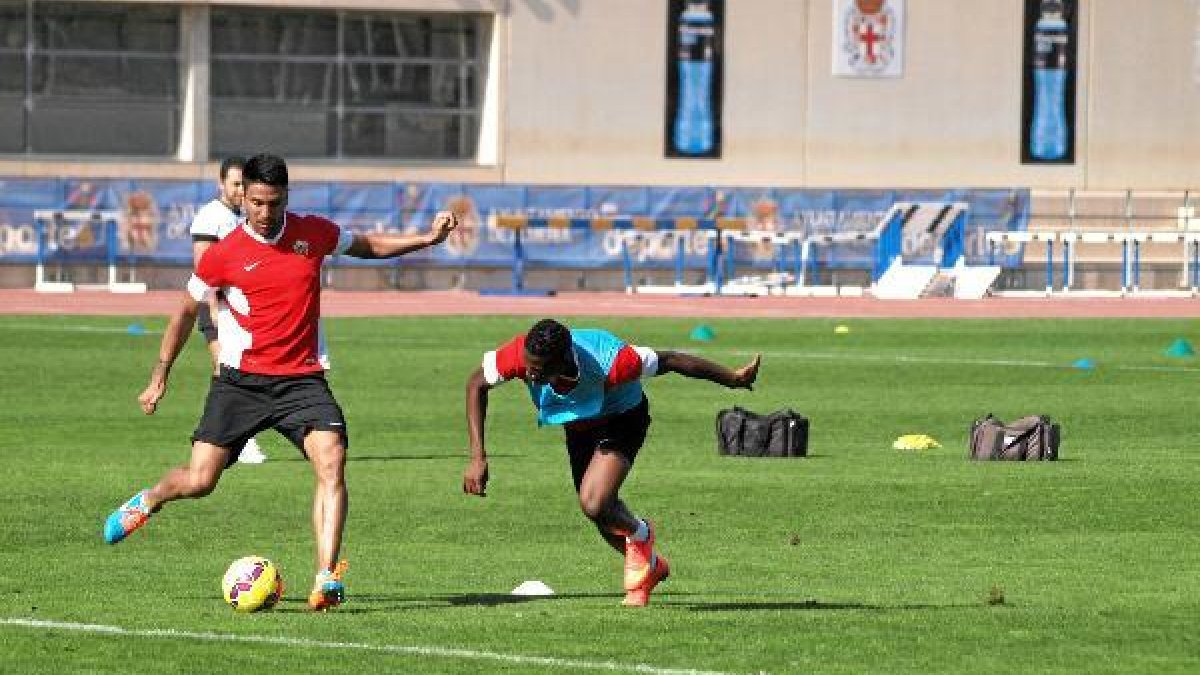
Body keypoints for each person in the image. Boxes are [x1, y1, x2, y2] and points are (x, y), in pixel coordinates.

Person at [103, 153, 458, 612]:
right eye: (256, 202)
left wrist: (427, 238)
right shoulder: (224, 254)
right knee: (200, 480)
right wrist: (160, 375)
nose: (265, 213)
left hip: (302, 381)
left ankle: (326, 577)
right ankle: (148, 500)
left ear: (286, 196)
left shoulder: (314, 233)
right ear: (243, 198)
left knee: (332, 461)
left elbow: (367, 245)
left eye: (273, 202)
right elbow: (185, 313)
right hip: (240, 384)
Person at [462, 319, 761, 607]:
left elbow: (671, 360)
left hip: (623, 420)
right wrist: (478, 457)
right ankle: (651, 567)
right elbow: (476, 384)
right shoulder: (520, 355)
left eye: (538, 370)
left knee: (595, 501)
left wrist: (732, 378)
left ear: (563, 361)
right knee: (601, 516)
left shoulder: (613, 360)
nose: (529, 374)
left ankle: (641, 533)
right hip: (580, 428)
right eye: (528, 365)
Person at [189, 156, 266, 464]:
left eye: (243, 185)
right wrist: (213, 310)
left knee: (244, 369)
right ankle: (235, 440)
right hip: (218, 308)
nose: (239, 190)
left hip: (241, 312)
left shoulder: (241, 217)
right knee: (227, 370)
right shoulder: (211, 217)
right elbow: (203, 269)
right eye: (235, 184)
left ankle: (225, 437)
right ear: (220, 183)